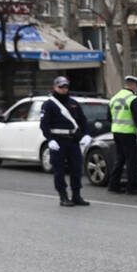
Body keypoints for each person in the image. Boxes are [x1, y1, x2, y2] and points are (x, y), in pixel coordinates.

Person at [39, 75, 92, 207]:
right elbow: (44, 124)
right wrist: (50, 139)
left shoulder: (73, 103)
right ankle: (63, 196)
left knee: (76, 169)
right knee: (59, 170)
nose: (64, 89)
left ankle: (76, 195)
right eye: (61, 86)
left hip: (73, 141)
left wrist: (86, 134)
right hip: (58, 141)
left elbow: (83, 120)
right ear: (55, 87)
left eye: (66, 86)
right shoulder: (49, 104)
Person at [107, 74, 137, 194]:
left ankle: (113, 185)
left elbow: (109, 117)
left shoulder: (114, 98)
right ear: (134, 86)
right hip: (128, 133)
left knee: (120, 159)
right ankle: (131, 187)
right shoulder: (133, 99)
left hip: (116, 132)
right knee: (131, 160)